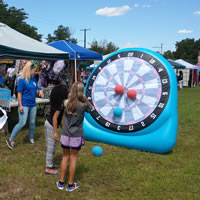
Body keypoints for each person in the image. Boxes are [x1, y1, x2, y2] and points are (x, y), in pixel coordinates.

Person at [56, 82, 92, 191]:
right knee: (73, 159)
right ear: (81, 92)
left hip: (65, 134)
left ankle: (61, 182)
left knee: (65, 157)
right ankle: (70, 184)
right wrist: (86, 100)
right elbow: (91, 109)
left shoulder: (65, 103)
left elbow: (65, 104)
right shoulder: (83, 105)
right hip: (76, 135)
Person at [6, 61, 44, 149]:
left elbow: (36, 89)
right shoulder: (22, 80)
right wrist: (20, 105)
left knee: (32, 122)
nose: (35, 72)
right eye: (34, 70)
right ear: (29, 70)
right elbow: (19, 93)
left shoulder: (34, 80)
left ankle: (31, 137)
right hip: (24, 104)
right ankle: (10, 139)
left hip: (33, 104)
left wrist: (40, 91)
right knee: (22, 123)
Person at [44, 78, 68, 175]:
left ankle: (51, 164)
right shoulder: (59, 106)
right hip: (50, 125)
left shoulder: (59, 104)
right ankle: (48, 168)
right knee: (51, 148)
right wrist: (55, 132)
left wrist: (61, 125)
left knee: (52, 147)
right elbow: (54, 118)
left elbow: (58, 119)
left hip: (50, 124)